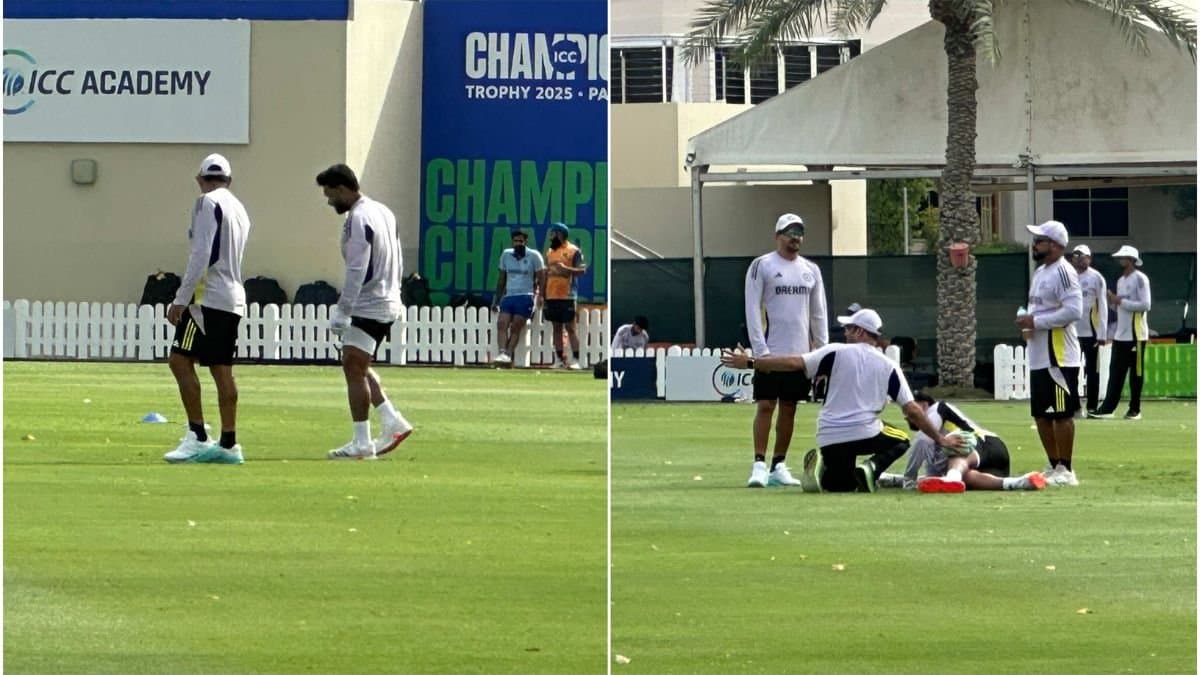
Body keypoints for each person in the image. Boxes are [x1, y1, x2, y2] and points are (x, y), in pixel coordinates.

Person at [721, 308, 964, 493]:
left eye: (849, 328)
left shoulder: (834, 351)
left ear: (860, 332)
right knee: (901, 440)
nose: (845, 332)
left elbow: (794, 363)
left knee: (841, 486)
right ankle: (871, 468)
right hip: (865, 433)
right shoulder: (888, 365)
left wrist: (752, 362)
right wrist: (940, 438)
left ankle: (823, 467)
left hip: (829, 436)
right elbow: (912, 410)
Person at [316, 164, 414, 459]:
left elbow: (358, 268)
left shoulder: (358, 218)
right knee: (357, 363)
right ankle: (390, 419)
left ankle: (363, 441)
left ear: (344, 189)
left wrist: (343, 309)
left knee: (353, 367)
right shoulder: (383, 211)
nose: (329, 200)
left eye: (330, 194)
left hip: (369, 303)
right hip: (386, 299)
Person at [163, 153, 252, 465]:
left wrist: (181, 297)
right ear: (228, 179)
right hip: (232, 297)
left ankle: (198, 435)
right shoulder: (240, 210)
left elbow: (201, 254)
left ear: (200, 179)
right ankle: (229, 442)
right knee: (221, 368)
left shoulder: (206, 203)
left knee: (179, 360)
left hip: (207, 298)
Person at [742, 213, 828, 488]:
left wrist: (822, 352)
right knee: (766, 405)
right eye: (790, 232)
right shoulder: (762, 265)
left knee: (789, 407)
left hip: (800, 354)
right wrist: (760, 349)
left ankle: (779, 464)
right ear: (778, 235)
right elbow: (753, 308)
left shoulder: (811, 270)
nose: (795, 237)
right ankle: (759, 464)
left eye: (799, 232)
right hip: (771, 350)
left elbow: (819, 313)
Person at [1015, 220, 1083, 486]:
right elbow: (1040, 310)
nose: (1035, 245)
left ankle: (1067, 469)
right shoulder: (1041, 272)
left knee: (1061, 414)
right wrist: (1027, 321)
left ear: (1055, 245)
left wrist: (1036, 322)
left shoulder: (1064, 272)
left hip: (1059, 354)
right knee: (1041, 415)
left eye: (1040, 241)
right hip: (1039, 354)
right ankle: (1054, 465)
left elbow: (1073, 311)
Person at [878, 391, 1046, 492]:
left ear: (922, 404)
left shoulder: (937, 409)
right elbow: (933, 477)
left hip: (986, 443)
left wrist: (908, 478)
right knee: (967, 478)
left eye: (908, 409)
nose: (906, 415)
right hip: (990, 463)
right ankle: (1018, 483)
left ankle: (952, 478)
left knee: (956, 445)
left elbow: (922, 441)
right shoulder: (936, 441)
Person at [1091, 245, 1152, 420]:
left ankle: (1135, 409)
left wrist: (1120, 301)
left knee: (1136, 374)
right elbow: (1120, 307)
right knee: (1115, 372)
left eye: (1123, 257)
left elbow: (1145, 305)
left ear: (1132, 260)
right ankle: (1108, 408)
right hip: (1121, 334)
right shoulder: (1121, 281)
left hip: (1136, 335)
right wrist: (1113, 302)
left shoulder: (1141, 279)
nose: (1120, 260)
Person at [492, 229, 546, 367]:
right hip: (509, 295)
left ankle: (508, 354)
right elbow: (501, 279)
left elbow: (542, 277)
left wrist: (541, 296)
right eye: (515, 241)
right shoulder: (506, 255)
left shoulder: (534, 256)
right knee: (502, 323)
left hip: (526, 295)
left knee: (516, 326)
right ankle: (502, 353)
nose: (518, 244)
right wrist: (496, 300)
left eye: (521, 241)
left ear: (525, 242)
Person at [544, 222, 587, 370]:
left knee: (570, 328)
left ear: (560, 234)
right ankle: (559, 359)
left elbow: (582, 270)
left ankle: (576, 359)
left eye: (554, 233)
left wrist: (565, 269)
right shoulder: (550, 251)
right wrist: (542, 294)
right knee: (556, 328)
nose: (551, 236)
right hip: (551, 294)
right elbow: (546, 272)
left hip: (567, 295)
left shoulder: (573, 250)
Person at [1071, 245, 1108, 415]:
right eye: (1077, 256)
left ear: (1089, 258)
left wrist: (1102, 333)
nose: (1080, 259)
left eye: (1083, 256)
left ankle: (1092, 406)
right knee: (1071, 370)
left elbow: (1103, 305)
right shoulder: (1067, 276)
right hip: (1070, 332)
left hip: (1091, 332)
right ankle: (1074, 406)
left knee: (1093, 370)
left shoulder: (1096, 277)